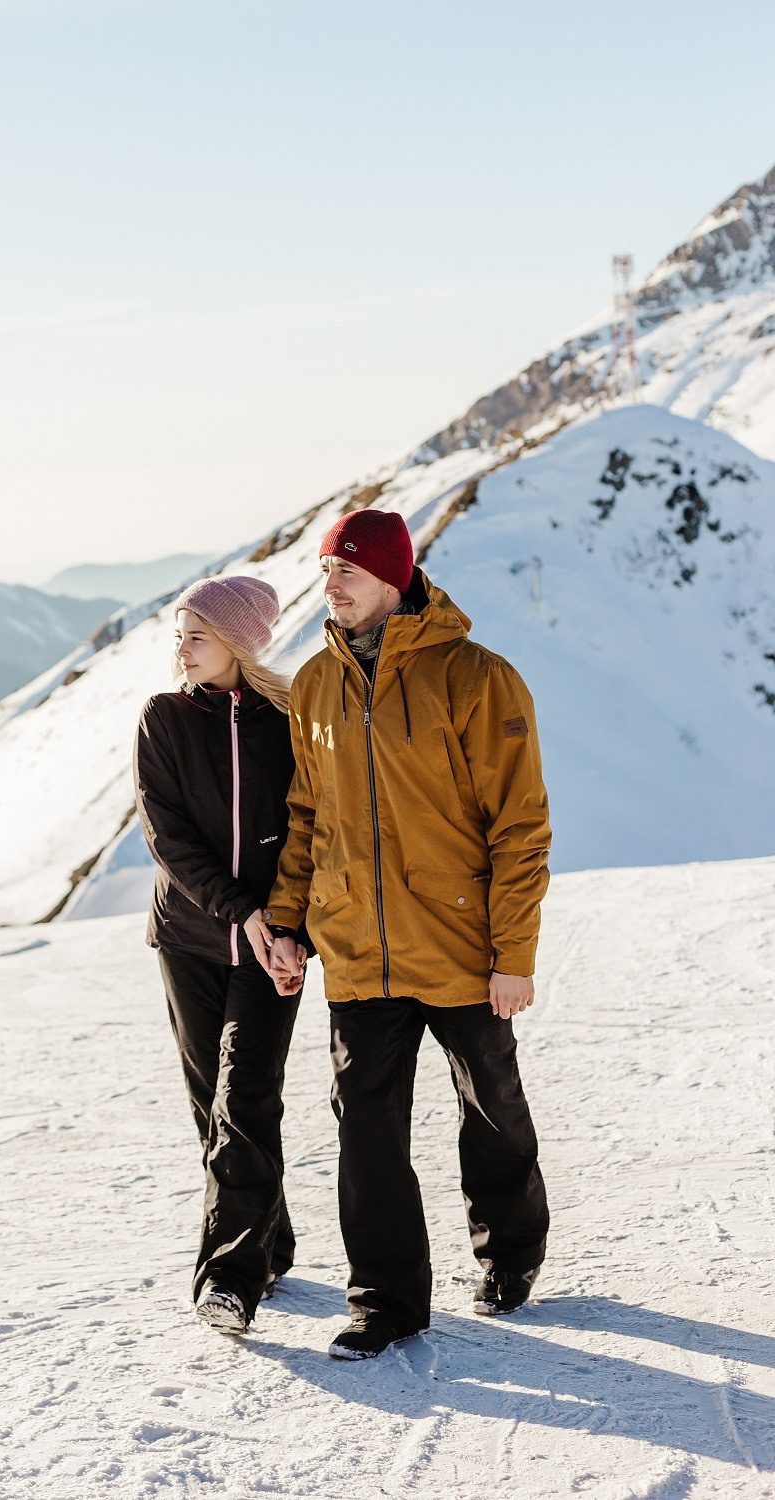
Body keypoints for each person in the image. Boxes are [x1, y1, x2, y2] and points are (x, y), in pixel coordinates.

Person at [260, 508, 551, 1360]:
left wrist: (514, 956)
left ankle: (510, 1256)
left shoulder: (478, 678)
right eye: (325, 571)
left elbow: (520, 826)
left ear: (393, 576)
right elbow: (306, 816)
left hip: (462, 946)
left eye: (346, 570)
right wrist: (288, 923)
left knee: (491, 1106)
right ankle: (384, 1301)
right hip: (357, 947)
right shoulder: (315, 684)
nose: (332, 585)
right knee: (366, 1127)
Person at [133, 574, 306, 1338]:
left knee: (246, 1101)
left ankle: (230, 1278)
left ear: (238, 641)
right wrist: (245, 912)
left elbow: (312, 831)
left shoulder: (286, 721)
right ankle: (269, 1241)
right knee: (217, 1109)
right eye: (180, 632)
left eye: (197, 633)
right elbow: (167, 839)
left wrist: (290, 924)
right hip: (192, 939)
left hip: (275, 946)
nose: (183, 646)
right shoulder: (163, 719)